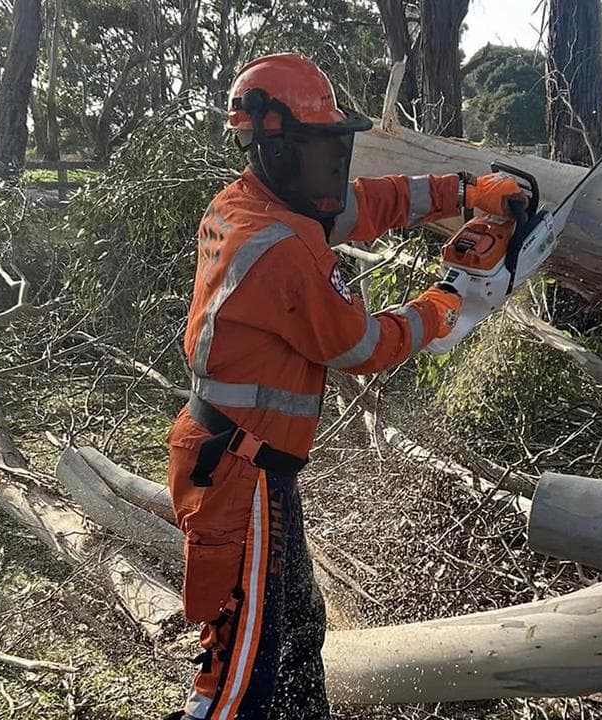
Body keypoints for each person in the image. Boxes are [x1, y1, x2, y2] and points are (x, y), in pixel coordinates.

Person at [165, 53, 526, 720]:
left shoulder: (256, 201)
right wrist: (452, 299)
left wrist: (461, 191)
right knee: (236, 678)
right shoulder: (281, 246)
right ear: (272, 142)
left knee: (297, 632)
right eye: (320, 149)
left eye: (339, 148)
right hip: (241, 477)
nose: (335, 167)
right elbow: (360, 346)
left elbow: (370, 203)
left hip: (246, 465)